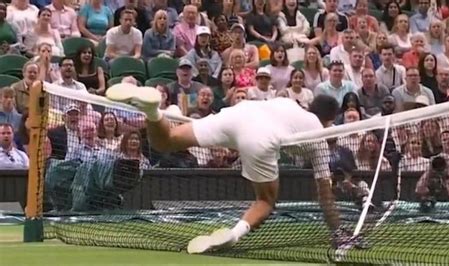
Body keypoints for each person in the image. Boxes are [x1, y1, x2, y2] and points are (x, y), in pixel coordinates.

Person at [105, 84, 368, 253]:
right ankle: (233, 235)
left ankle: (153, 112)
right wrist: (337, 232)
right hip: (261, 135)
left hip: (239, 113)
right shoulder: (318, 137)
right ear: (331, 120)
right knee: (265, 200)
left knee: (167, 141)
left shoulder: (287, 103)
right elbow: (325, 194)